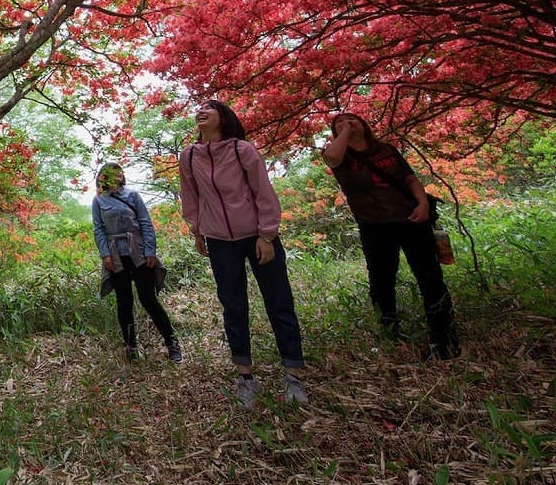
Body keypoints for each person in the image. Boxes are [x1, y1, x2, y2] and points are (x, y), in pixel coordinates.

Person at [180, 101, 307, 406]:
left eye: (209, 108)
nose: (201, 111)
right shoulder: (189, 156)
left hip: (257, 237)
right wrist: (197, 230)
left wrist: (266, 235)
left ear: (223, 118)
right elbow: (190, 196)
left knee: (279, 303)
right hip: (220, 241)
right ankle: (246, 378)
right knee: (233, 306)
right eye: (199, 108)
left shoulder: (242, 150)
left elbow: (263, 191)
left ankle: (293, 377)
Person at [322, 112, 461, 360]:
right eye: (339, 123)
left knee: (431, 279)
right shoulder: (340, 156)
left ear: (364, 125)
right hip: (374, 227)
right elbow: (331, 157)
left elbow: (410, 178)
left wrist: (422, 204)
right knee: (382, 282)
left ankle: (444, 339)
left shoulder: (386, 150)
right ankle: (389, 334)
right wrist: (343, 131)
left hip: (412, 221)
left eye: (353, 120)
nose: (348, 124)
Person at [92, 163, 183, 364]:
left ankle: (172, 342)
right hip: (116, 256)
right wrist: (105, 255)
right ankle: (131, 348)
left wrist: (150, 250)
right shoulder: (99, 200)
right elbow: (98, 229)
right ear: (102, 177)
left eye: (118, 172)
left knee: (148, 299)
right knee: (124, 303)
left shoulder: (133, 195)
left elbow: (145, 223)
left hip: (139, 253)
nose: (115, 176)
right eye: (110, 173)